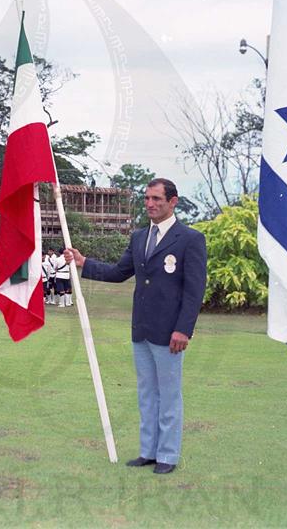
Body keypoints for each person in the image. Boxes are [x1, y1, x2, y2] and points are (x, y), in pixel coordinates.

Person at [64, 178, 207, 474]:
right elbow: (119, 272)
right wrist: (83, 262)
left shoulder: (190, 239)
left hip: (170, 333)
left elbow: (194, 290)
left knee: (169, 396)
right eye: (147, 198)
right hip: (141, 329)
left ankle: (167, 455)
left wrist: (184, 329)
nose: (150, 204)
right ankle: (148, 452)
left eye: (156, 199)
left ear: (173, 202)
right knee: (146, 394)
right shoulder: (139, 236)